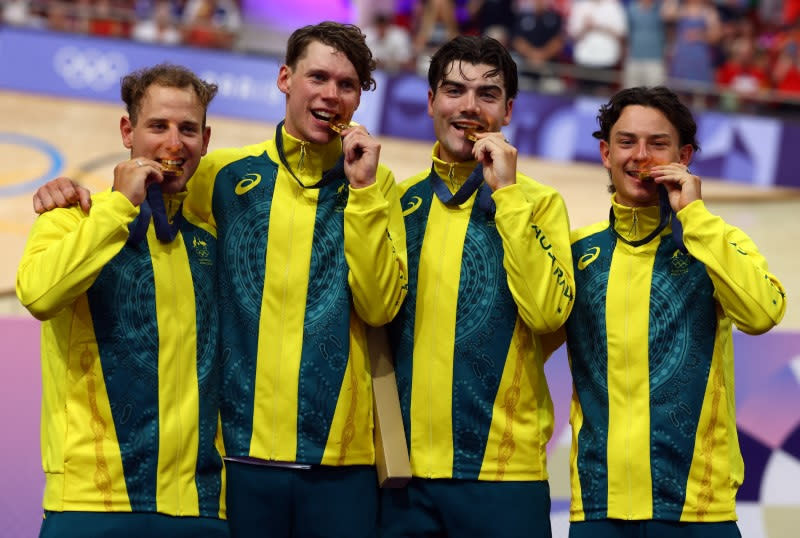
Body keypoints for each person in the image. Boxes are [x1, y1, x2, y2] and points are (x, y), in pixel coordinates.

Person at [32, 21, 408, 538]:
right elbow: (160, 196)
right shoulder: (223, 177)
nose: (331, 94)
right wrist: (79, 193)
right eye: (318, 76)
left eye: (347, 85)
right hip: (237, 462)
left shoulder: (377, 184)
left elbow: (381, 306)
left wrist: (363, 194)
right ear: (284, 79)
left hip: (341, 461)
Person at [546, 86, 786, 537]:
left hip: (699, 509)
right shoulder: (575, 251)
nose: (641, 156)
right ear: (604, 152)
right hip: (600, 508)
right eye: (626, 142)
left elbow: (762, 314)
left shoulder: (715, 241)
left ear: (685, 155)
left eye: (658, 144)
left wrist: (694, 216)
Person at [16, 64, 228, 537]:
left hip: (199, 508)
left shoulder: (210, 239)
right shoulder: (71, 220)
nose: (174, 143)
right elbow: (38, 294)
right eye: (158, 126)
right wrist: (117, 206)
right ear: (128, 131)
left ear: (205, 140)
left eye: (187, 129)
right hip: (92, 505)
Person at [381, 35, 575, 538]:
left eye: (487, 95)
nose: (469, 107)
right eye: (453, 91)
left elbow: (548, 313)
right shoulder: (397, 203)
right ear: (430, 102)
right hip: (403, 479)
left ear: (508, 110)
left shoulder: (538, 202)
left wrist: (506, 196)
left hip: (503, 477)